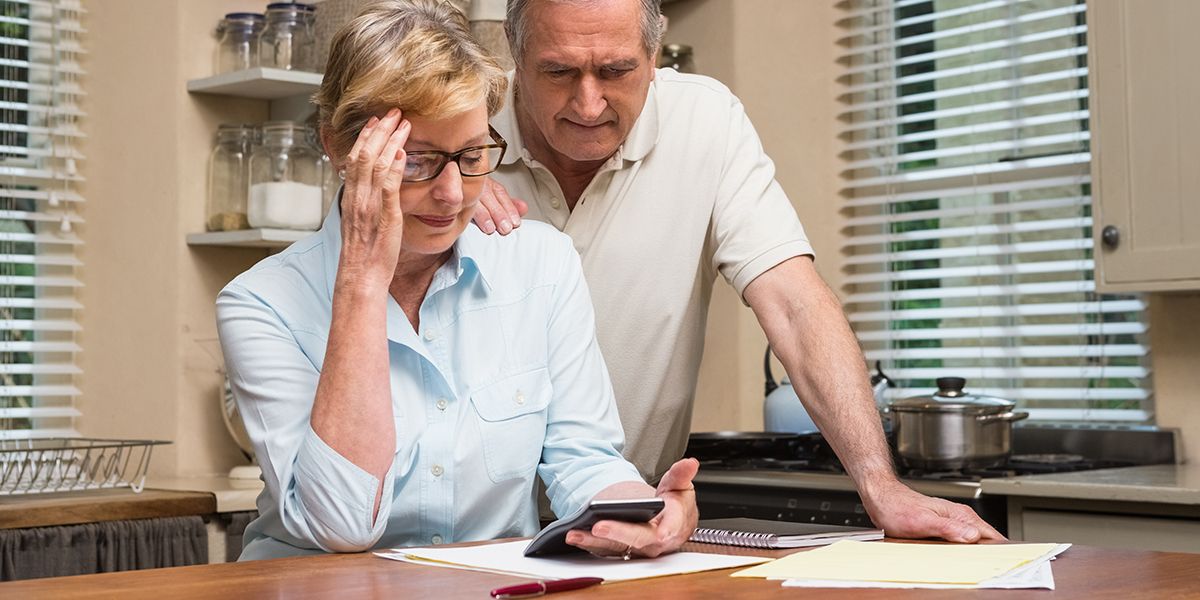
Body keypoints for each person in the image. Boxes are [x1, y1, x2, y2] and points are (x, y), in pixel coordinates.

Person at [471, 0, 1004, 543]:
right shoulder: (456, 136)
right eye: (559, 72)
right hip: (467, 533)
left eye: (616, 70)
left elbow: (794, 305)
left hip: (627, 519)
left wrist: (880, 484)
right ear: (516, 54)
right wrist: (442, 184)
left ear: (653, 54)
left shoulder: (704, 121)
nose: (588, 103)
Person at [216, 0, 697, 561]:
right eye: (416, 161)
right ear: (340, 148)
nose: (451, 193)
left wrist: (641, 512)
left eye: (471, 154)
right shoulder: (260, 303)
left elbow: (583, 457)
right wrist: (362, 282)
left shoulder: (542, 265)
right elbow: (341, 526)